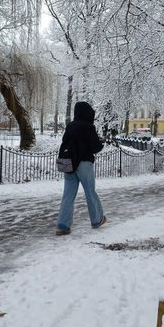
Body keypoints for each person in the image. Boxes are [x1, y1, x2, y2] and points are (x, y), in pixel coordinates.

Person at [55, 101, 107, 236]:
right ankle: (97, 220)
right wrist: (101, 142)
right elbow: (95, 147)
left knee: (68, 195)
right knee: (90, 192)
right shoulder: (88, 127)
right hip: (83, 164)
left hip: (68, 163)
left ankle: (62, 226)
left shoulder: (70, 126)